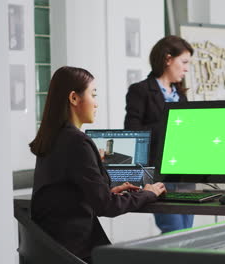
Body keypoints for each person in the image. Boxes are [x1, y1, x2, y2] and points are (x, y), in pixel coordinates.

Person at [29, 66, 166, 263]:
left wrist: (107, 191)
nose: (96, 104)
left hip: (52, 250)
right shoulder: (77, 142)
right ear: (74, 98)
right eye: (93, 95)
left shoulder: (53, 137)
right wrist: (148, 193)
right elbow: (106, 207)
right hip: (76, 252)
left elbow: (67, 195)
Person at [124, 35, 195, 233]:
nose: (187, 68)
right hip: (158, 174)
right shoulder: (140, 91)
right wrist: (170, 126)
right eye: (184, 62)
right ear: (167, 59)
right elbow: (132, 132)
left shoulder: (180, 95)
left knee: (187, 233)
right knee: (173, 233)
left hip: (184, 172)